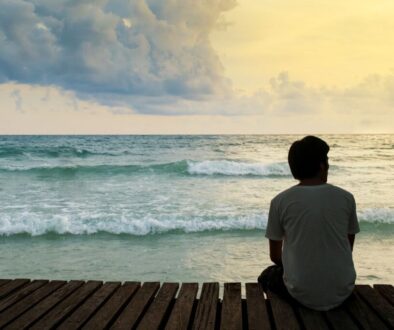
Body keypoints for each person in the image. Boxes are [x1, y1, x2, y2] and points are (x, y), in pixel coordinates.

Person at [258, 136, 359, 311]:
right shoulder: (346, 198)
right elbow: (347, 249)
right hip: (343, 289)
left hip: (300, 294)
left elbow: (275, 257)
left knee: (267, 276)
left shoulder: (280, 201)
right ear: (321, 166)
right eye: (327, 161)